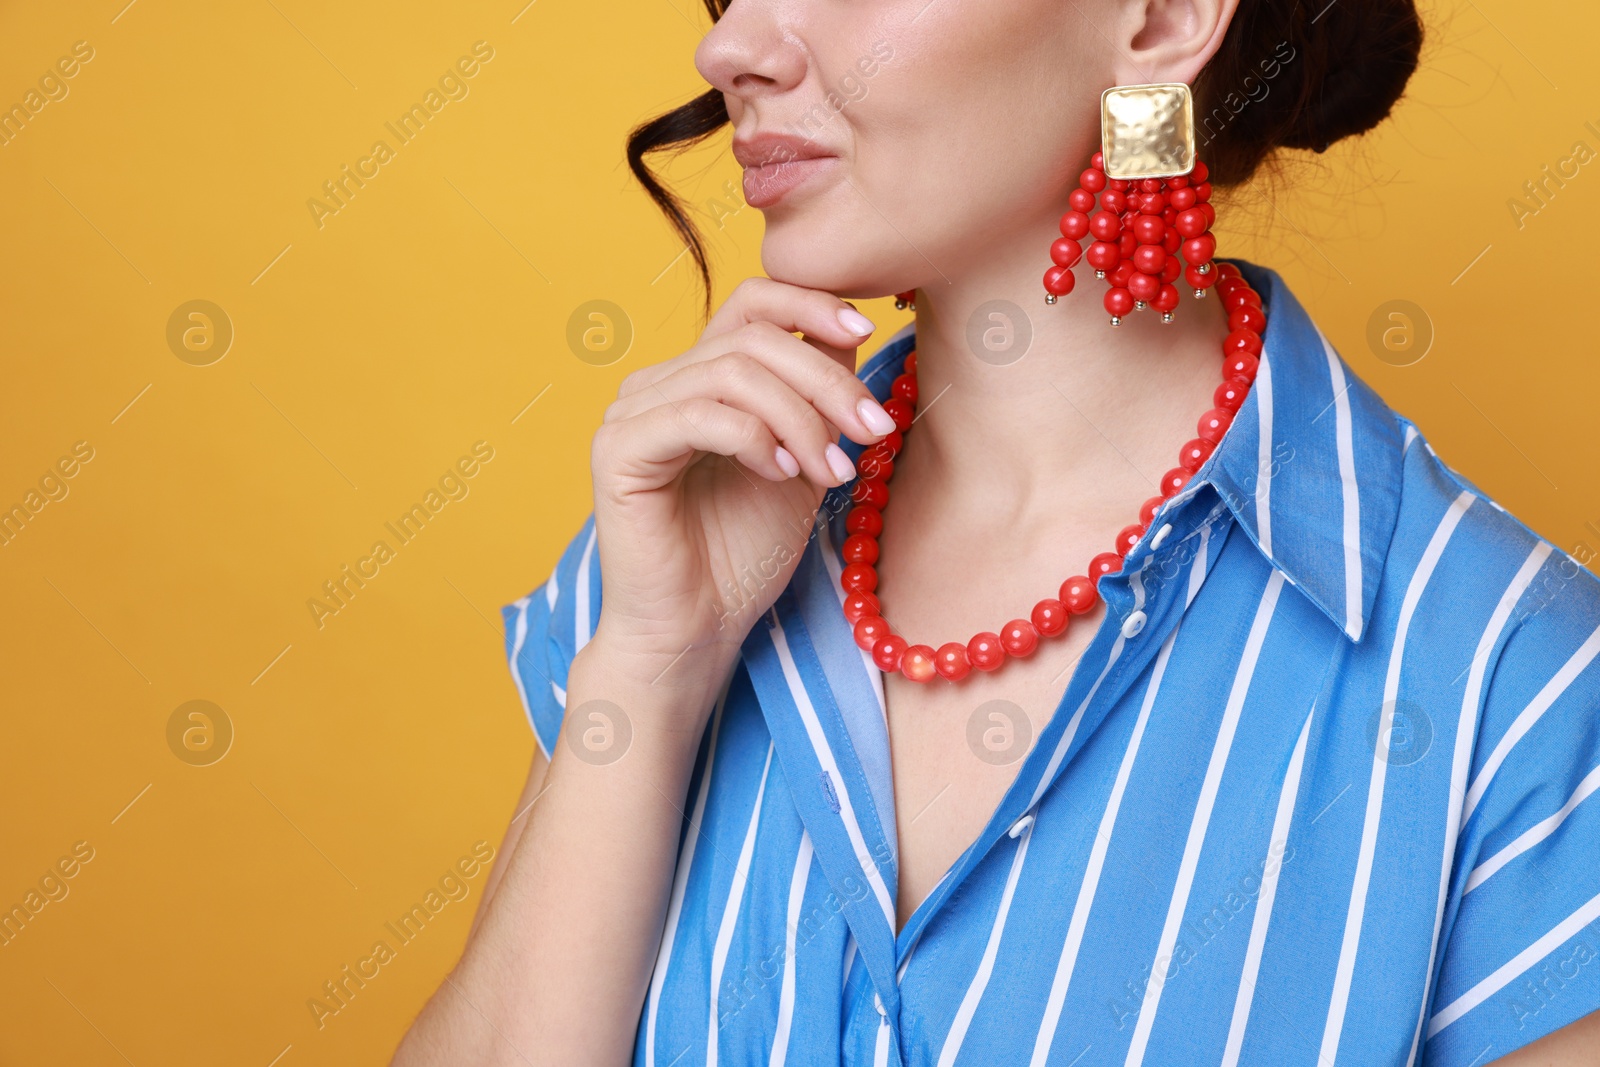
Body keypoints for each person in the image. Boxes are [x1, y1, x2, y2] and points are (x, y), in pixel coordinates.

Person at [392, 0, 1600, 1063]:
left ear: (1164, 18)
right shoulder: (668, 566)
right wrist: (653, 664)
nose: (729, 46)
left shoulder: (1520, 688)